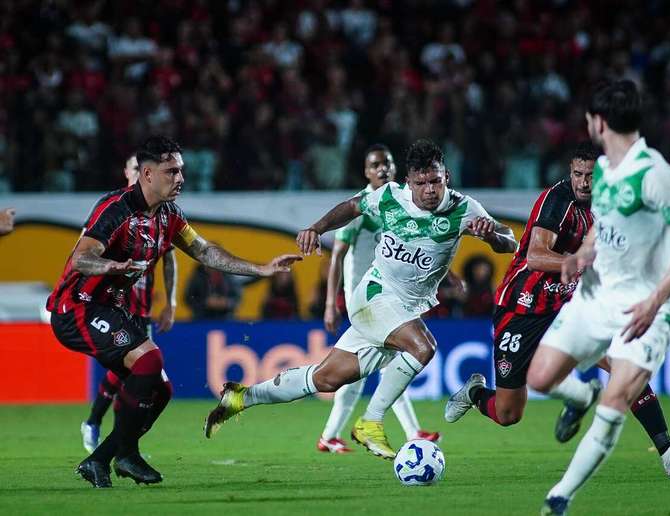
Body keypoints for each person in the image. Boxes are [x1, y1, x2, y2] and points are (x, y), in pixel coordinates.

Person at [204, 139, 517, 460]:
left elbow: (510, 240)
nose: (428, 190)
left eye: (435, 181)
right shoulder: (390, 196)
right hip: (373, 296)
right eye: (421, 183)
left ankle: (243, 397)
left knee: (326, 379)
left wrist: (491, 235)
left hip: (402, 309)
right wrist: (317, 227)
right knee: (424, 347)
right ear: (409, 181)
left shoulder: (465, 209)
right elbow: (353, 206)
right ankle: (371, 421)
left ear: (446, 177)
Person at [445, 141, 670, 481]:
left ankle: (668, 452)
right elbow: (536, 255)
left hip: (569, 306)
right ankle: (475, 391)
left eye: (590, 175)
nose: (582, 182)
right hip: (522, 308)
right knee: (508, 414)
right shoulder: (557, 200)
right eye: (577, 174)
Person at [47, 136, 300, 488]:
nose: (180, 178)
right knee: (149, 362)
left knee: (161, 389)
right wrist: (110, 266)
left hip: (109, 309)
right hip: (77, 308)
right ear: (147, 174)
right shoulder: (115, 209)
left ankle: (105, 458)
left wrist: (261, 269)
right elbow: (81, 257)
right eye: (172, 171)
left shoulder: (169, 216)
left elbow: (206, 252)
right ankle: (122, 453)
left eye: (181, 170)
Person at [525, 80, 670, 515]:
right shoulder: (605, 168)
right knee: (539, 378)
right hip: (595, 297)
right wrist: (583, 254)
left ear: (599, 121)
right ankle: (581, 396)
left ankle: (560, 496)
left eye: (589, 116)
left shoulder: (656, 174)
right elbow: (601, 226)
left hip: (642, 307)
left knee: (616, 402)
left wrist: (659, 299)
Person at [318, 144, 439, 454]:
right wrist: (331, 302)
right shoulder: (361, 210)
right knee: (387, 363)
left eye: (387, 163)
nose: (383, 169)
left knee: (370, 368)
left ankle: (331, 435)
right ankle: (411, 432)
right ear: (366, 172)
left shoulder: (401, 204)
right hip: (365, 297)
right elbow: (337, 257)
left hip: (391, 294)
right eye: (375, 165)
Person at [80, 154, 178, 454]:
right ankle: (105, 430)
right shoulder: (112, 211)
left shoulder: (160, 215)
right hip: (110, 308)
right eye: (135, 169)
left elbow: (169, 257)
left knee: (139, 376)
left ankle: (115, 438)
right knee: (133, 373)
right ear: (130, 172)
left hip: (142, 307)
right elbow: (83, 254)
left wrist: (171, 302)